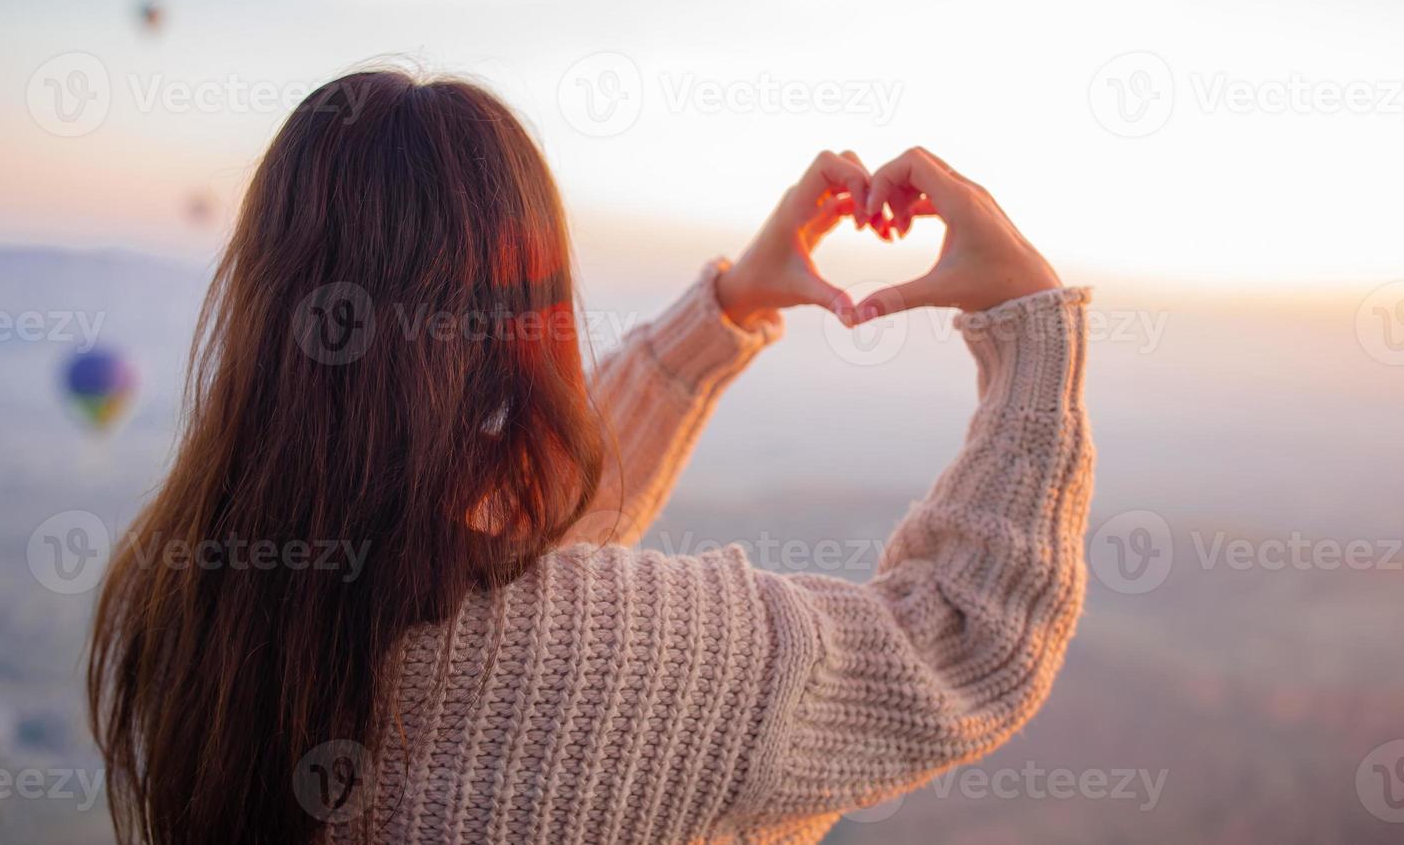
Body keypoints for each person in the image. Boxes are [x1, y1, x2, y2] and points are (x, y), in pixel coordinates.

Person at [88, 70, 1094, 845]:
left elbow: (528, 521)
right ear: (530, 317)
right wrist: (1029, 325)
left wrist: (732, 303)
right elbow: (967, 642)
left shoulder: (190, 591)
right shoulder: (618, 656)